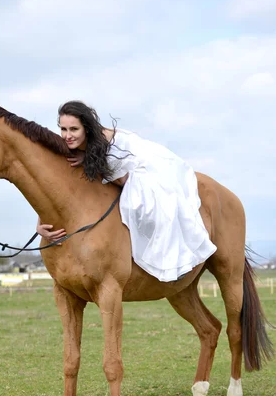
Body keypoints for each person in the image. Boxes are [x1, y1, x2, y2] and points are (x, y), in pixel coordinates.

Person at [37, 101, 216, 282]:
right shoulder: (68, 144)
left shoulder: (104, 141)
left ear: (86, 128)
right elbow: (55, 189)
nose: (67, 136)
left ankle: (172, 259)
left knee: (140, 202)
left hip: (139, 165)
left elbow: (121, 178)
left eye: (74, 129)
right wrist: (40, 224)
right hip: (114, 167)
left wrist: (89, 160)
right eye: (63, 129)